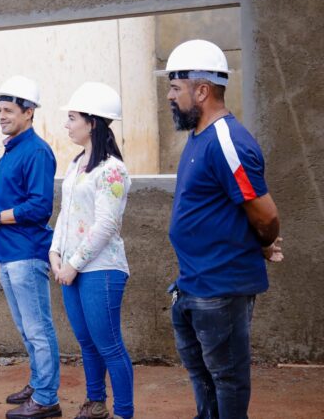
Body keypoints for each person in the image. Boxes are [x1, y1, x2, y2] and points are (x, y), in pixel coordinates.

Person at [157, 39, 283, 419]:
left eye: (175, 88)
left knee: (227, 378)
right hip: (193, 284)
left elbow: (266, 215)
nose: (169, 96)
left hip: (221, 286)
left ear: (202, 90)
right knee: (203, 375)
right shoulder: (199, 138)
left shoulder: (227, 141)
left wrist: (262, 243)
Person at [0, 76, 61, 419]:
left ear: (29, 113)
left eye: (8, 110)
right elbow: (9, 204)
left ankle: (46, 398)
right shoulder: (11, 150)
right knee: (27, 328)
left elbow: (40, 207)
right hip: (9, 253)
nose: (1, 116)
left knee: (38, 328)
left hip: (27, 253)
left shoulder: (37, 152)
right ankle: (38, 382)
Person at [50, 82, 133, 419]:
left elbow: (105, 225)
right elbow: (66, 214)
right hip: (72, 267)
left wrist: (73, 263)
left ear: (93, 122)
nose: (67, 124)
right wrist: (55, 253)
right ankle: (95, 403)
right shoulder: (75, 164)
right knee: (86, 342)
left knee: (109, 344)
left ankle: (124, 412)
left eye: (72, 118)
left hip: (102, 269)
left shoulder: (112, 169)